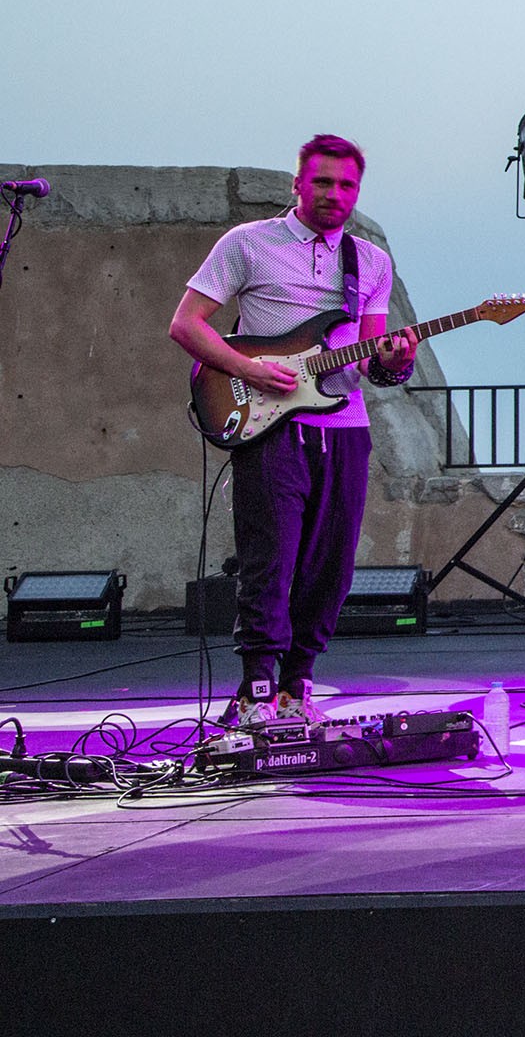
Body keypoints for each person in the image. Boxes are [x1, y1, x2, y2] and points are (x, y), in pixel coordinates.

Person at [168, 135, 417, 726]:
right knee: (269, 559)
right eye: (323, 181)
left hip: (345, 426)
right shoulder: (248, 244)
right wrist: (251, 368)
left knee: (331, 565)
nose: (335, 194)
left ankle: (296, 687)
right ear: (298, 184)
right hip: (270, 424)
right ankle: (256, 690)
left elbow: (371, 360)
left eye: (347, 185)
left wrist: (396, 359)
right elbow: (186, 325)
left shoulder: (371, 262)